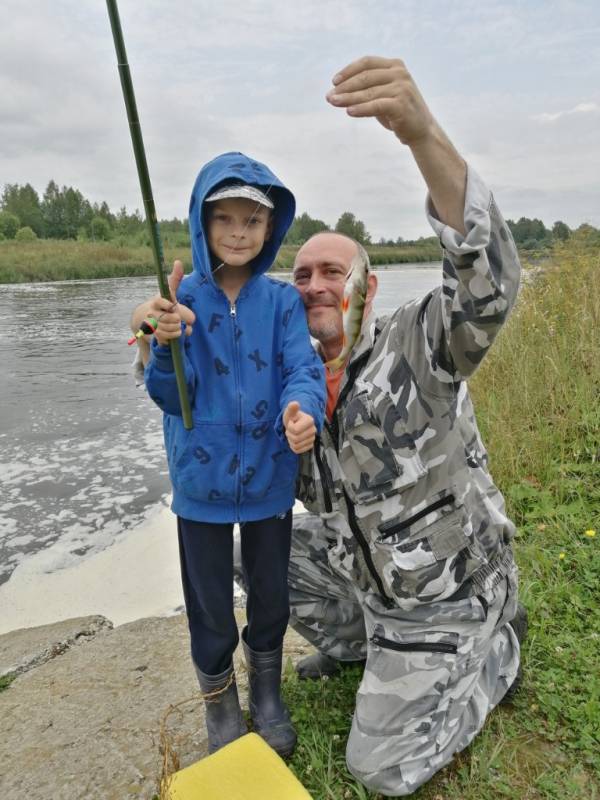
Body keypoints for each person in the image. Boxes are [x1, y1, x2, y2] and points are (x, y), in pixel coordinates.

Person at [133, 57, 526, 795]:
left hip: (445, 592)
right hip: (371, 580)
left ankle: (491, 643)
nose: (315, 284)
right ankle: (358, 643)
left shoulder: (417, 346)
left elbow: (486, 288)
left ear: (367, 289)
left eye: (335, 272)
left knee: (376, 769)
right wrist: (162, 337)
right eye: (303, 272)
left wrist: (421, 135)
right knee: (260, 555)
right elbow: (185, 383)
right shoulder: (290, 366)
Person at [140, 151, 326, 758]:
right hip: (201, 485)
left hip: (271, 475)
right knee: (211, 607)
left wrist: (302, 413)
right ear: (203, 221)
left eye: (253, 220)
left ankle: (267, 693)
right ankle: (221, 702)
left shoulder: (281, 303)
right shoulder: (180, 299)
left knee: (271, 594)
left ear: (271, 229)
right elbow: (170, 397)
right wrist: (165, 343)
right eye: (225, 219)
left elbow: (302, 369)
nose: (239, 232)